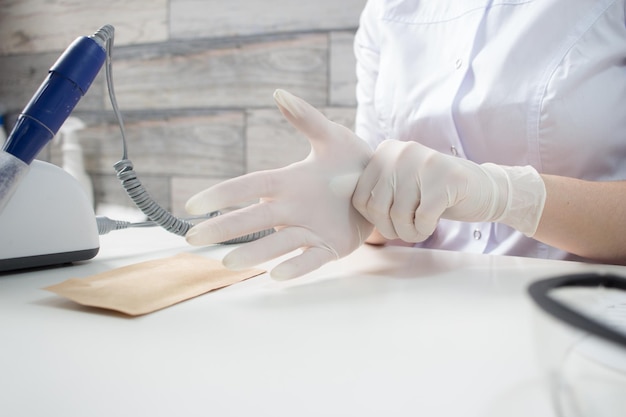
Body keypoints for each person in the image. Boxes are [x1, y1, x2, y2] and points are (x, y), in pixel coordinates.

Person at [185, 0, 626, 279]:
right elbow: (382, 209)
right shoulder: (386, 13)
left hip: (581, 305)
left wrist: (507, 196)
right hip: (418, 295)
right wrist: (350, 201)